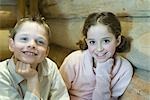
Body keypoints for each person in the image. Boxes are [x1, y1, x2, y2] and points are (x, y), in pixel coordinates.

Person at [60, 12, 133, 100]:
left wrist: (103, 71)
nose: (99, 49)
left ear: (117, 40)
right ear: (87, 41)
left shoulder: (124, 69)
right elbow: (58, 93)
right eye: (92, 42)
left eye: (106, 41)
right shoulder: (74, 60)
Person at [0, 16, 70, 100]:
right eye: (24, 39)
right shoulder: (2, 74)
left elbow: (61, 97)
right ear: (12, 45)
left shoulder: (50, 67)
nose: (32, 45)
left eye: (40, 42)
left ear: (46, 52)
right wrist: (32, 80)